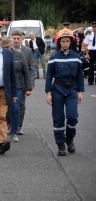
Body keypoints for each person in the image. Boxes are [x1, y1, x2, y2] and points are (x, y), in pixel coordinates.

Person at [46, 28, 84, 156]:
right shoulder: (54, 58)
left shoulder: (77, 57)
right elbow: (49, 76)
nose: (65, 44)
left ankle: (70, 138)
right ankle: (61, 144)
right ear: (59, 42)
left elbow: (79, 76)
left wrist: (80, 92)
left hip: (72, 89)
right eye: (63, 41)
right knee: (58, 118)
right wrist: (48, 93)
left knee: (72, 117)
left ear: (71, 42)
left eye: (67, 41)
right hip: (58, 89)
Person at [1, 36, 32, 142]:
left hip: (18, 86)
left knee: (15, 109)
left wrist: (28, 87)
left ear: (12, 46)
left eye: (7, 47)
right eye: (3, 47)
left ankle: (14, 131)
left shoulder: (19, 55)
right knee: (4, 110)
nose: (5, 49)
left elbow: (26, 72)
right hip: (3, 87)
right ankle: (3, 129)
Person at [11, 30, 35, 135]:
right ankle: (10, 125)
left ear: (22, 39)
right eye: (14, 38)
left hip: (23, 83)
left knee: (21, 105)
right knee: (9, 105)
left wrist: (30, 84)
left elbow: (31, 67)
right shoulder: (7, 50)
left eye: (18, 38)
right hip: (11, 83)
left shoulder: (27, 51)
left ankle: (18, 127)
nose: (16, 41)